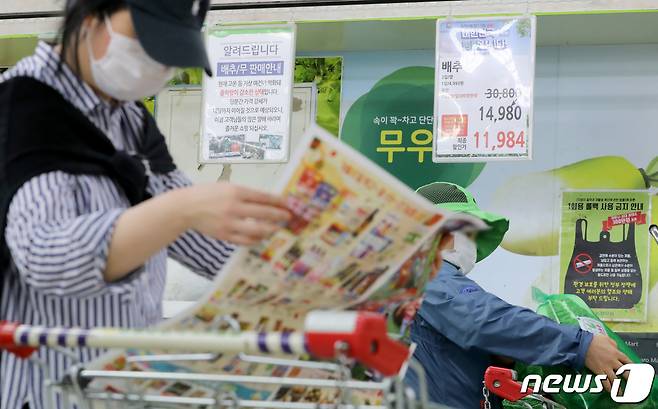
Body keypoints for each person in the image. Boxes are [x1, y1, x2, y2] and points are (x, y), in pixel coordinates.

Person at [0, 1, 291, 408]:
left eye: (171, 53)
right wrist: (179, 210)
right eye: (146, 41)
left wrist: (289, 271)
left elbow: (196, 234)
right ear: (89, 17)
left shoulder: (129, 119)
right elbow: (46, 256)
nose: (158, 64)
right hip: (51, 390)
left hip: (122, 388)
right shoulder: (27, 106)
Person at [405, 182, 631, 409]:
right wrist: (581, 346)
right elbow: (482, 319)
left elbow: (443, 350)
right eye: (467, 231)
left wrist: (500, 356)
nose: (471, 242)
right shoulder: (428, 276)